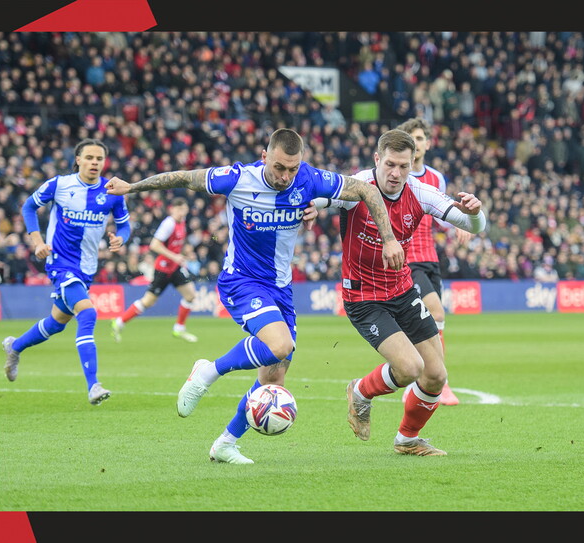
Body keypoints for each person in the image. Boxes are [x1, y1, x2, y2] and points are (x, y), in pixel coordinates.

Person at [105, 128, 404, 464]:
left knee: (272, 376)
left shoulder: (308, 180)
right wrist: (133, 187)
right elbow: (185, 178)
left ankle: (225, 443)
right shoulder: (237, 178)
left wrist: (389, 238)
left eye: (292, 169)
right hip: (242, 281)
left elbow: (364, 189)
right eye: (279, 167)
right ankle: (208, 371)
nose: (286, 176)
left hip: (281, 288)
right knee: (279, 346)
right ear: (264, 157)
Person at [309, 129, 486, 455]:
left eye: (403, 166)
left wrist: (475, 214)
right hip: (363, 296)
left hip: (402, 290)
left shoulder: (419, 191)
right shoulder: (357, 185)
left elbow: (473, 225)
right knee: (409, 368)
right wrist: (310, 207)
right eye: (390, 164)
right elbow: (321, 196)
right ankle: (361, 391)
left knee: (435, 375)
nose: (396, 173)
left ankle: (406, 440)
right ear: (377, 159)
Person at [1, 138, 131, 405]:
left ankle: (14, 346)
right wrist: (37, 242)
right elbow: (28, 206)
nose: (95, 163)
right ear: (78, 160)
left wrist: (121, 239)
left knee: (56, 323)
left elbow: (124, 226)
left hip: (86, 268)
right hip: (60, 262)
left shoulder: (112, 191)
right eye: (89, 157)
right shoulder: (60, 185)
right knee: (88, 311)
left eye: (99, 159)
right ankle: (93, 385)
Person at [394, 117, 470, 405]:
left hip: (430, 258)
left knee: (428, 322)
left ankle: (420, 379)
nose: (418, 144)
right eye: (412, 139)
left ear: (427, 143)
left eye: (422, 138)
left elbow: (441, 215)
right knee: (436, 313)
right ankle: (441, 382)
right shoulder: (397, 175)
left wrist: (460, 223)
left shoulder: (436, 178)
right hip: (407, 258)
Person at [111, 197, 199, 343]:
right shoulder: (168, 224)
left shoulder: (182, 222)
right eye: (179, 210)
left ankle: (179, 328)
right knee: (148, 301)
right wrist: (175, 257)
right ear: (173, 209)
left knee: (190, 295)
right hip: (163, 269)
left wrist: (180, 256)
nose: (182, 212)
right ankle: (119, 321)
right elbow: (154, 245)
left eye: (184, 209)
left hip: (175, 268)